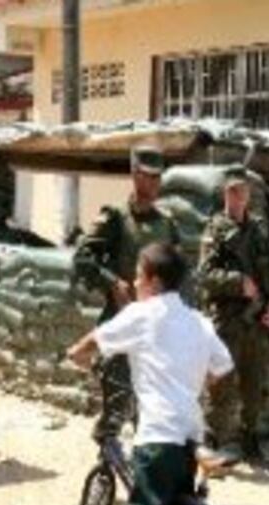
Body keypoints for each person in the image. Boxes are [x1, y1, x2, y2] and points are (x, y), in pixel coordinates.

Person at [67, 241, 234, 505]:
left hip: (157, 440)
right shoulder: (197, 321)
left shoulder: (143, 314)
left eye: (140, 276)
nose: (136, 283)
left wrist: (76, 356)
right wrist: (192, 389)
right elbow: (222, 368)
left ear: (155, 281)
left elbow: (95, 340)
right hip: (189, 440)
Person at [73, 144, 182, 442]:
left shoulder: (168, 224)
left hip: (157, 329)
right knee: (117, 403)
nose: (155, 183)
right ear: (134, 176)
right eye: (148, 176)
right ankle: (105, 471)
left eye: (158, 177)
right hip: (123, 322)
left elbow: (178, 273)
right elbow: (82, 259)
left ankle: (142, 476)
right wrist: (111, 282)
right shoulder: (115, 219)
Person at [200, 165, 269, 461]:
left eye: (243, 190)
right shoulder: (215, 230)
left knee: (254, 383)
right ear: (225, 193)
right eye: (233, 191)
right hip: (228, 319)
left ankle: (249, 438)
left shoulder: (258, 229)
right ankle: (212, 437)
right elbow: (204, 275)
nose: (239, 196)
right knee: (220, 381)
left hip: (256, 320)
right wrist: (236, 283)